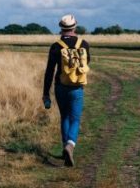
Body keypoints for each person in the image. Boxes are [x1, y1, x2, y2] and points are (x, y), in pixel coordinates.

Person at [42, 14, 90, 167]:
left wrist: (45, 92)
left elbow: (49, 71)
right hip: (77, 87)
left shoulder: (56, 46)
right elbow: (86, 63)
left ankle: (65, 147)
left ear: (61, 28)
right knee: (75, 118)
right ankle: (70, 145)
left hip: (60, 87)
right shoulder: (84, 44)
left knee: (64, 117)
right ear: (75, 27)